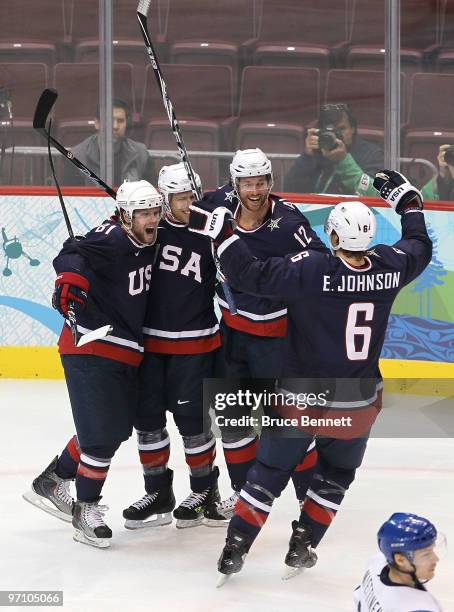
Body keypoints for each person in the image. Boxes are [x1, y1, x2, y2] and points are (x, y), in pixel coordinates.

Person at [188, 169, 432, 579]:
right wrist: (408, 201)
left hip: (302, 397)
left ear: (333, 237)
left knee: (268, 472)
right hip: (358, 399)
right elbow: (419, 244)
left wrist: (222, 233)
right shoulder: (391, 266)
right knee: (336, 474)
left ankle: (236, 546)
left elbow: (251, 275)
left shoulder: (312, 269)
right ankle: (304, 543)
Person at [23, 180, 163, 548]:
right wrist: (69, 284)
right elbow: (73, 251)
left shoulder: (144, 237)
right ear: (126, 216)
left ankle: (52, 481)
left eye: (154, 211)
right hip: (90, 345)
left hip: (124, 349)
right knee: (100, 436)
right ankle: (85, 509)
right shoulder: (112, 238)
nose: (152, 220)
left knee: (113, 430)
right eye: (144, 213)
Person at [201, 148, 327, 524]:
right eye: (247, 183)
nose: (254, 190)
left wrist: (274, 271)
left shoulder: (288, 222)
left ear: (270, 182)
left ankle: (309, 498)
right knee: (233, 419)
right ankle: (243, 496)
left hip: (277, 339)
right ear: (233, 183)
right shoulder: (219, 202)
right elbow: (181, 212)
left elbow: (320, 259)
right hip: (232, 334)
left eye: (261, 182)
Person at [122, 163, 222, 529]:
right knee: (146, 422)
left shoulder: (212, 230)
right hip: (148, 346)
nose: (187, 204)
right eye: (180, 198)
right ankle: (158, 491)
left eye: (192, 197)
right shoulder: (149, 230)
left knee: (192, 424)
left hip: (194, 346)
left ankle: (203, 490)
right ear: (164, 200)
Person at [284, 103, 383, 197]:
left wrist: (344, 161)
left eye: (341, 129)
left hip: (355, 212)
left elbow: (375, 194)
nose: (336, 135)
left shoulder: (372, 154)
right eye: (329, 131)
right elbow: (289, 190)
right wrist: (306, 158)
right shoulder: (316, 151)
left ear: (352, 129)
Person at [354, 512, 442, 611]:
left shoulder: (376, 562)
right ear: (400, 560)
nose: (435, 559)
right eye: (426, 554)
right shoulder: (418, 607)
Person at [63, 98, 154, 187]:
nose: (115, 126)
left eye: (120, 121)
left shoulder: (141, 154)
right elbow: (71, 198)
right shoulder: (76, 156)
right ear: (97, 123)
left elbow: (151, 192)